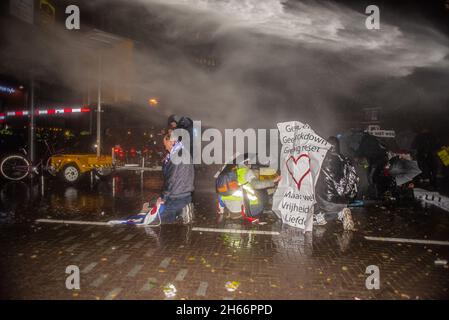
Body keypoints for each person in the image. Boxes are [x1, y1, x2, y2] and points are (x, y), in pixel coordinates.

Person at [110, 133, 194, 226]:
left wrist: (163, 199)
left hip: (176, 196)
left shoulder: (176, 156)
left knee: (156, 220)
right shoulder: (181, 152)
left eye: (166, 145)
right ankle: (181, 209)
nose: (165, 148)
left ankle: (182, 211)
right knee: (155, 208)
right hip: (183, 194)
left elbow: (171, 180)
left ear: (172, 142)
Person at [216, 155, 281, 223]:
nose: (249, 164)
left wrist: (222, 210)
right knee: (259, 183)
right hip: (250, 211)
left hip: (231, 209)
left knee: (227, 188)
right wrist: (273, 181)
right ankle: (268, 201)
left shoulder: (223, 174)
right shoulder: (245, 171)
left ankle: (233, 210)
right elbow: (257, 185)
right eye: (248, 162)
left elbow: (220, 194)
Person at [314, 136, 357, 231]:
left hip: (327, 200)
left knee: (310, 191)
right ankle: (341, 214)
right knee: (332, 209)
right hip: (344, 199)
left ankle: (320, 216)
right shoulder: (345, 159)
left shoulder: (322, 159)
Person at [357, 131, 388, 199]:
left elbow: (360, 153)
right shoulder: (375, 141)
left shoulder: (365, 141)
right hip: (372, 162)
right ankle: (372, 194)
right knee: (371, 178)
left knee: (368, 177)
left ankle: (367, 194)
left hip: (367, 161)